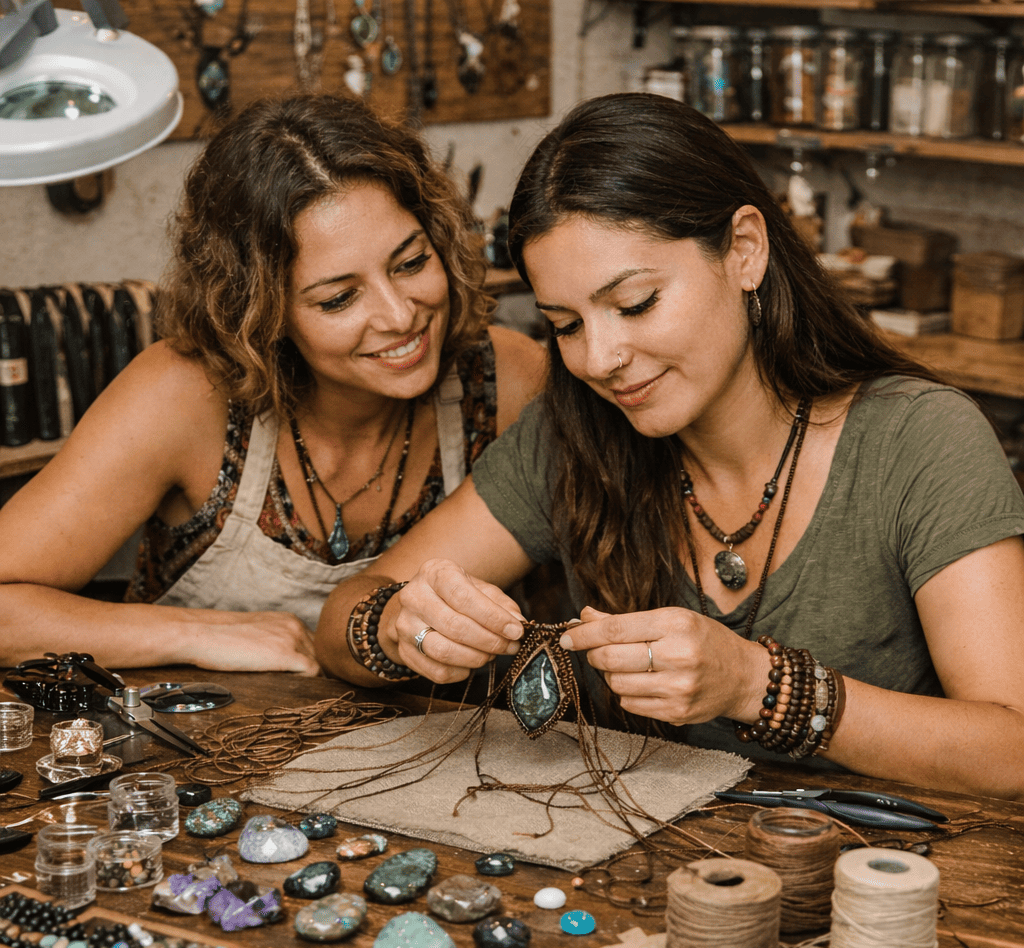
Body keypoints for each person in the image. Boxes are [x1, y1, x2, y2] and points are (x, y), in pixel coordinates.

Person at [315, 92, 1024, 800]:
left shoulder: (919, 440)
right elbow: (343, 619)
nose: (599, 357)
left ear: (744, 251)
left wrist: (758, 687)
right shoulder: (574, 435)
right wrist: (397, 628)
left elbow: (1011, 749)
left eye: (634, 305)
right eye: (565, 325)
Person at [0, 94, 545, 674]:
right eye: (339, 298)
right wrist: (190, 632)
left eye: (410, 263)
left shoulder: (507, 379)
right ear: (261, 312)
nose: (399, 315)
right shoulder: (184, 395)